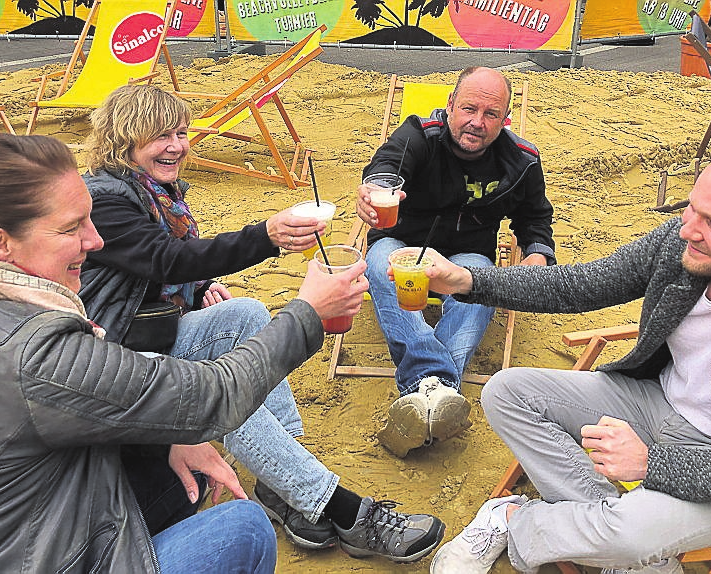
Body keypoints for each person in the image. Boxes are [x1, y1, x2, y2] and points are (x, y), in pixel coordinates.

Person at [0, 134, 368, 572]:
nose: (95, 241)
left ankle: (283, 471)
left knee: (193, 436)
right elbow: (213, 395)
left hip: (33, 508)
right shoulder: (33, 351)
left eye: (181, 132)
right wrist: (309, 312)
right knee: (243, 528)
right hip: (41, 553)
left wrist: (159, 438)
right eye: (72, 228)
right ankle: (327, 501)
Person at [79, 84, 446, 562]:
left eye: (182, 133)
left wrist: (201, 284)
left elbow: (160, 263)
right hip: (119, 351)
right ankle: (346, 512)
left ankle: (282, 478)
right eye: (160, 135)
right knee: (230, 393)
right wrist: (267, 236)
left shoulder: (154, 190)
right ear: (125, 139)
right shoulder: (105, 198)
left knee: (247, 314)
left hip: (154, 328)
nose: (176, 145)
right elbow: (162, 258)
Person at [423, 139, 711, 573]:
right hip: (651, 401)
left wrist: (653, 463)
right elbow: (583, 284)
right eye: (691, 207)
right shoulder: (681, 244)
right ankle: (612, 537)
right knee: (507, 391)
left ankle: (514, 519)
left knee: (630, 536)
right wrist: (467, 281)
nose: (687, 229)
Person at [356, 66, 556, 457]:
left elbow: (535, 219)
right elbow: (386, 168)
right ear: (449, 106)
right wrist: (375, 190)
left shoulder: (522, 162)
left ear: (505, 119)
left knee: (481, 284)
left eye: (491, 114)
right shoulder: (419, 134)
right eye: (468, 108)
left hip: (466, 254)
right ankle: (440, 387)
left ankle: (422, 393)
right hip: (404, 242)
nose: (476, 122)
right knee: (380, 262)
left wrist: (536, 255)